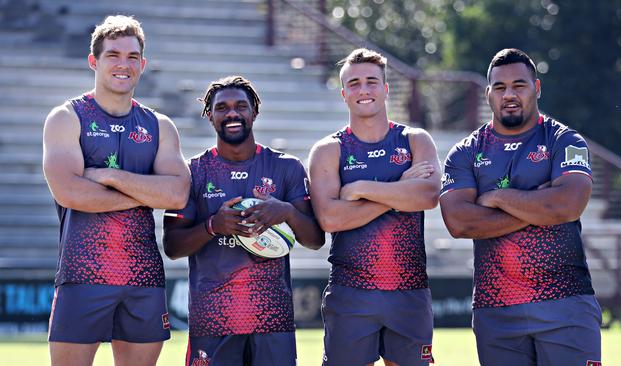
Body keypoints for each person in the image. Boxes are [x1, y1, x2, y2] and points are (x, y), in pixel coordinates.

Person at [42, 15, 191, 366]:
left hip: (143, 278)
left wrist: (110, 175)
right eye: (113, 55)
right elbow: (71, 193)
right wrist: (146, 195)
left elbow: (178, 195)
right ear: (94, 61)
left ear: (143, 64)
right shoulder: (67, 117)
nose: (123, 64)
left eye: (132, 56)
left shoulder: (159, 125)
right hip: (83, 274)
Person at [439, 48, 601, 366]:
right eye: (500, 87)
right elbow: (459, 223)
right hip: (496, 311)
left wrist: (498, 198)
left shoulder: (564, 140)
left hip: (565, 303)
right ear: (488, 94)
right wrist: (537, 205)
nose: (509, 95)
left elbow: (568, 205)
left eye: (519, 85)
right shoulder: (465, 153)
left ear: (536, 88)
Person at [163, 75, 325, 366]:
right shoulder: (192, 173)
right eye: (222, 108)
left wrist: (286, 211)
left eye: (241, 106)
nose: (232, 113)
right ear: (209, 115)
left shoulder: (286, 167)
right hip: (213, 321)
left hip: (272, 321)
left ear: (254, 112)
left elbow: (315, 240)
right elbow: (172, 246)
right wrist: (213, 226)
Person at [308, 48, 441, 366]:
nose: (363, 90)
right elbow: (329, 218)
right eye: (354, 83)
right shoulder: (329, 149)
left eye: (371, 81)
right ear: (343, 93)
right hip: (350, 292)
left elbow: (428, 196)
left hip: (409, 291)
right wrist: (399, 189)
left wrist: (359, 189)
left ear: (386, 88)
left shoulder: (415, 140)